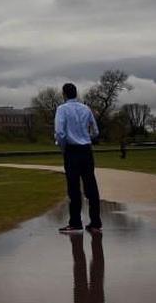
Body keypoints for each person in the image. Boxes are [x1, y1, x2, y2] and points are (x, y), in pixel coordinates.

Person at [55, 82, 102, 234]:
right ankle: (95, 222)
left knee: (73, 187)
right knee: (91, 186)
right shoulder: (86, 108)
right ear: (76, 93)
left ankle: (75, 222)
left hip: (72, 150)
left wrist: (63, 148)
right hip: (86, 150)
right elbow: (95, 131)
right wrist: (86, 137)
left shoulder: (62, 109)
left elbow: (60, 132)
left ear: (64, 94)